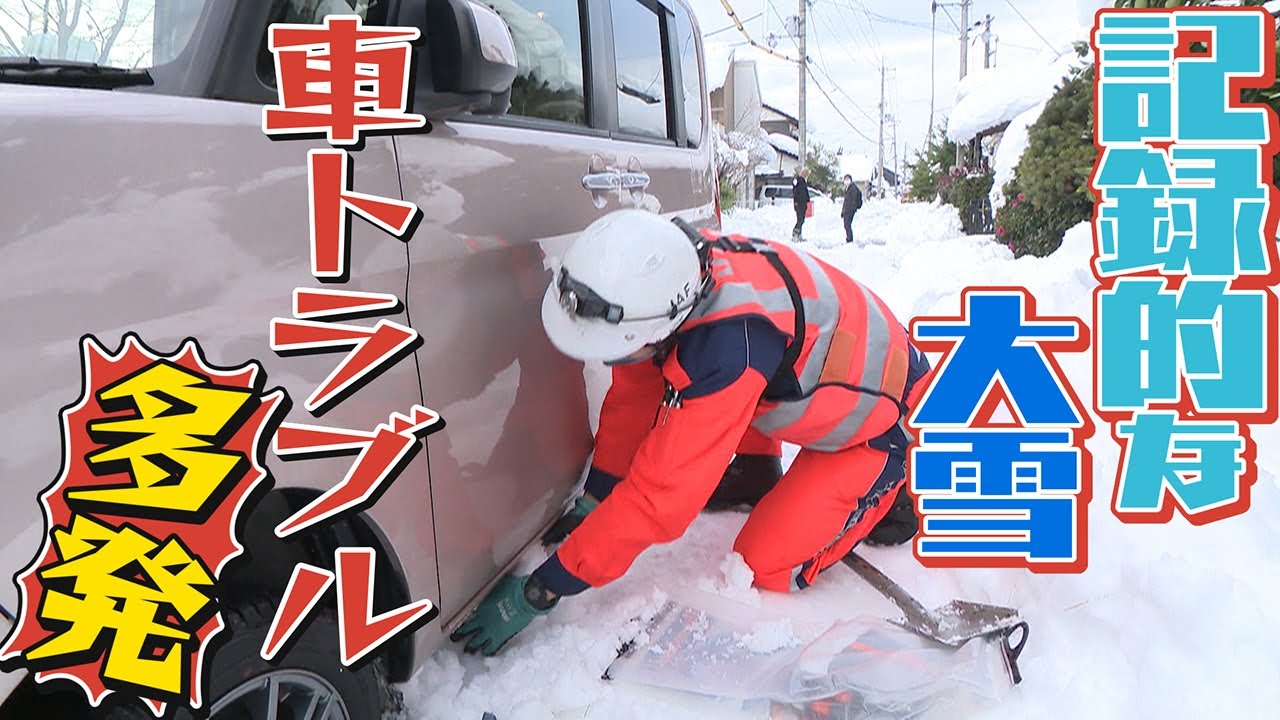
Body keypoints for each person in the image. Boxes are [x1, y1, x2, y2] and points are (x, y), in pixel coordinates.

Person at [450, 209, 931, 656]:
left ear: (661, 330)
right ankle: (763, 469)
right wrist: (598, 496)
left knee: (763, 565)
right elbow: (634, 397)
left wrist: (546, 586)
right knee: (678, 393)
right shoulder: (669, 281)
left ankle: (891, 489)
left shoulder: (728, 348)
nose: (603, 359)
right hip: (812, 382)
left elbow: (661, 499)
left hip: (878, 425)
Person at [841, 174, 863, 244]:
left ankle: (849, 240)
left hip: (850, 210)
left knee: (847, 225)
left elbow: (853, 200)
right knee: (846, 225)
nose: (846, 181)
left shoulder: (853, 188)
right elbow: (845, 201)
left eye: (848, 179)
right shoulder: (847, 188)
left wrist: (852, 209)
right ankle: (849, 239)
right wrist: (843, 211)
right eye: (845, 179)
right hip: (847, 210)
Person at [791, 168, 811, 241]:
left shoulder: (803, 181)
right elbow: (795, 191)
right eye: (806, 173)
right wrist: (796, 201)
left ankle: (799, 235)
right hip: (799, 203)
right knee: (800, 219)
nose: (806, 175)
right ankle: (795, 234)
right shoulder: (798, 180)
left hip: (803, 204)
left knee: (801, 219)